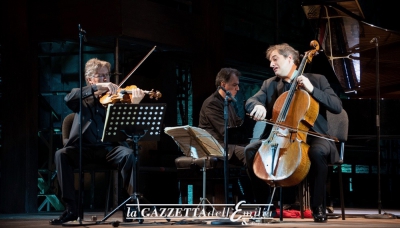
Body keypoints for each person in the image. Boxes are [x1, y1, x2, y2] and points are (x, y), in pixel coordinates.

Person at [244, 43, 342, 222]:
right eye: (270, 61)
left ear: (290, 59)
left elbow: (337, 106)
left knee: (316, 152)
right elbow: (251, 100)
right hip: (281, 137)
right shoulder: (270, 84)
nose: (271, 64)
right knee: (250, 150)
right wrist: (257, 106)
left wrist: (311, 89)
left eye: (275, 59)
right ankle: (264, 206)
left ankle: (318, 206)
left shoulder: (317, 79)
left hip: (315, 136)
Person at [49, 58, 145, 225]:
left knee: (128, 154)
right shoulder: (81, 99)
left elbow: (130, 132)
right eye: (100, 76)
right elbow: (68, 98)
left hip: (108, 150)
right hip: (82, 149)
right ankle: (71, 209)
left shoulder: (115, 100)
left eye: (106, 76)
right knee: (60, 154)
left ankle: (128, 205)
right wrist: (98, 88)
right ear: (90, 79)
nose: (105, 79)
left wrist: (134, 105)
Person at [198, 68, 246, 167]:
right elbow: (225, 132)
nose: (238, 88)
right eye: (234, 85)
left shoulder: (228, 103)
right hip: (217, 146)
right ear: (223, 85)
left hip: (229, 144)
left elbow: (238, 124)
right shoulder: (212, 103)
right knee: (250, 153)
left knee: (258, 149)